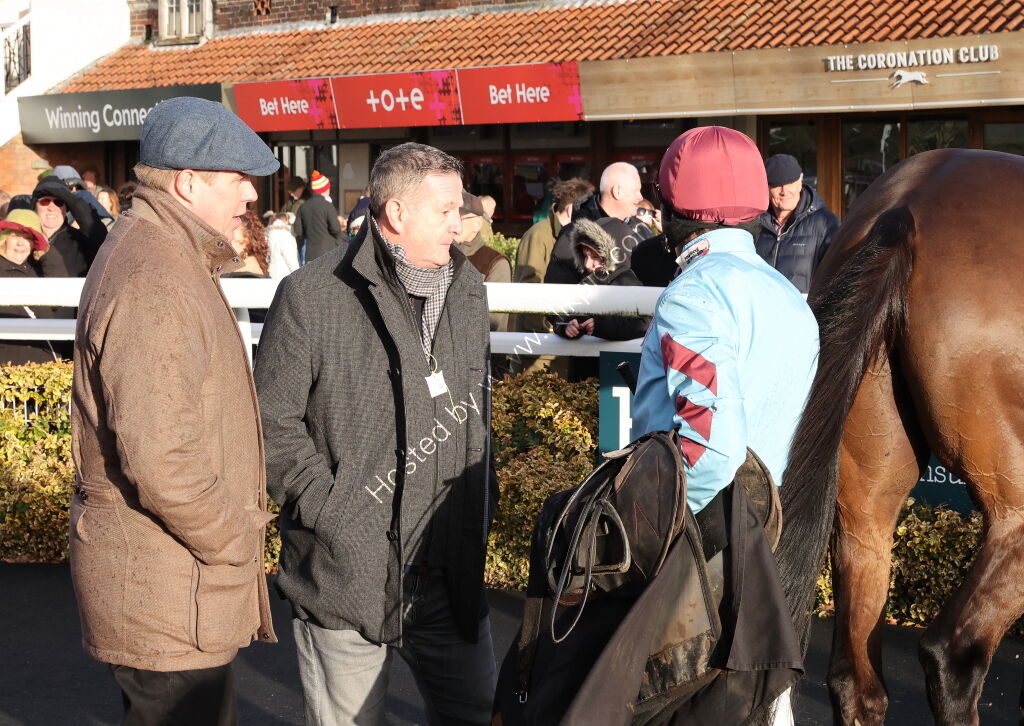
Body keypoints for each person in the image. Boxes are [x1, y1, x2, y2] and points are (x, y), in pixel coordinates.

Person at [255, 141, 498, 726]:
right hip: (346, 575)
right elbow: (270, 423)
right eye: (446, 210)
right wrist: (338, 513)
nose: (460, 226)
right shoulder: (311, 295)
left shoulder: (468, 290)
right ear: (396, 215)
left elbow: (473, 413)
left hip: (450, 573)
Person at [69, 96, 281, 726]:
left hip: (172, 580)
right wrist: (234, 539)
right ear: (188, 183)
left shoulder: (166, 253)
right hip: (169, 583)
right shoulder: (155, 273)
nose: (251, 193)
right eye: (237, 177)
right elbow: (161, 457)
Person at [629, 126, 819, 724]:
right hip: (769, 539)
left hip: (702, 548)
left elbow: (709, 449)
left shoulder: (693, 295)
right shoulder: (788, 297)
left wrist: (668, 543)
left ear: (676, 212)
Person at [544, 162, 652, 286]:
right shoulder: (573, 235)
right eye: (636, 191)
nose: (640, 197)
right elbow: (558, 291)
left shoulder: (640, 229)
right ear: (618, 191)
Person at [755, 153, 840, 294]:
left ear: (800, 181)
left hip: (806, 314)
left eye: (789, 183)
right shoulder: (754, 224)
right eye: (777, 185)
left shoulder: (826, 225)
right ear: (767, 187)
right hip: (761, 313)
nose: (784, 191)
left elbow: (836, 280)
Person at [0, 209, 67, 365]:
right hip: (8, 369)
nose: (20, 243)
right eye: (15, 235)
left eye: (28, 238)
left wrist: (47, 250)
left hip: (46, 368)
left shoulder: (37, 270)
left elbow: (58, 297)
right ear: (4, 239)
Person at [455, 190, 510, 332]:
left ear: (477, 224)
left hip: (485, 349)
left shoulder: (495, 262)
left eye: (459, 219)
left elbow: (493, 319)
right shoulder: (440, 255)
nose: (453, 224)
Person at [32, 174, 107, 276]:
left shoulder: (79, 242)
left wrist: (71, 199)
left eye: (59, 202)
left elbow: (99, 236)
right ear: (34, 206)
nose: (51, 208)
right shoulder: (23, 241)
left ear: (67, 207)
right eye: (45, 201)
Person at [293, 170, 346, 263]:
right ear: (324, 189)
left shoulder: (303, 207)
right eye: (328, 188)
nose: (329, 190)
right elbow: (336, 229)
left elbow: (298, 230)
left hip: (309, 254)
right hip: (328, 253)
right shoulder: (327, 206)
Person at [266, 212, 300, 279]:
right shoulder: (286, 236)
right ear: (286, 220)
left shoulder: (266, 234)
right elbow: (291, 259)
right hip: (283, 274)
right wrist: (298, 276)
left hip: (268, 273)